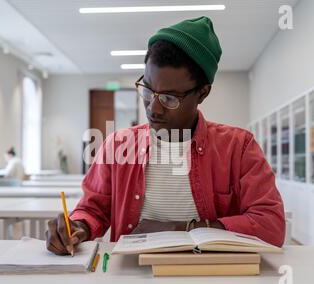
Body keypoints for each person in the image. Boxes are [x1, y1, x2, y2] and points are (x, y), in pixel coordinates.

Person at [46, 17, 286, 256]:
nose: (153, 108)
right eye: (148, 90)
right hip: (133, 278)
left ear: (202, 93)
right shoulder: (118, 145)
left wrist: (179, 229)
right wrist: (76, 227)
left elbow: (271, 224)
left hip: (213, 276)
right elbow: (93, 209)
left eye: (170, 98)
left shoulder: (239, 147)